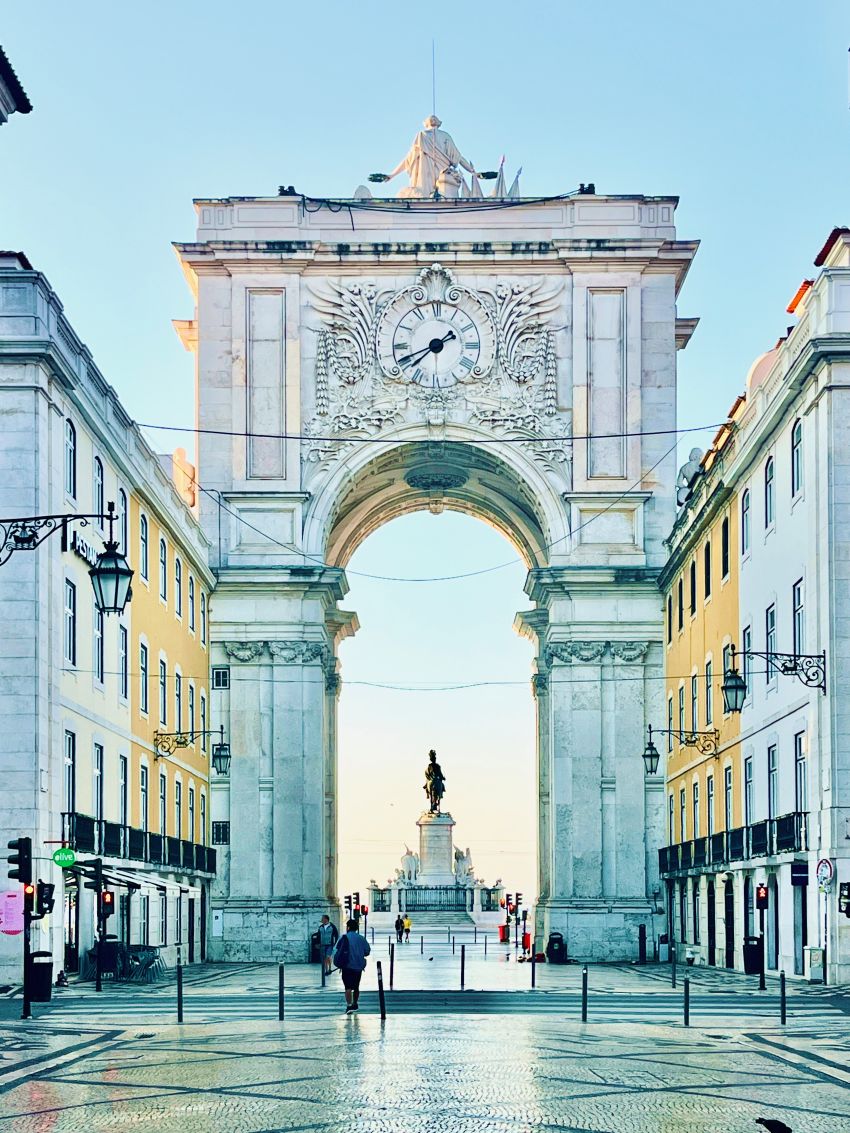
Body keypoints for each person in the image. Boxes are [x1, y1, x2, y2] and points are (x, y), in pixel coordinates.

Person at [333, 917, 371, 1013]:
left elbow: (336, 950)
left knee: (348, 987)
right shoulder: (361, 938)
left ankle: (349, 1005)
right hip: (358, 966)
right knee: (356, 986)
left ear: (348, 927)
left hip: (346, 966)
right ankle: (355, 1003)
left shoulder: (343, 938)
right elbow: (367, 951)